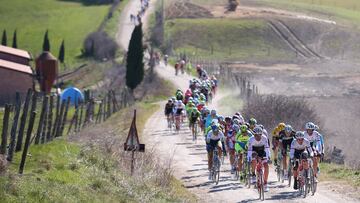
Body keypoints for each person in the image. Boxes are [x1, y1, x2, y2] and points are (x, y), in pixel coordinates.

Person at [247, 126, 271, 192]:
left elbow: (267, 149)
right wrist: (249, 158)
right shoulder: (251, 139)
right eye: (256, 135)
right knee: (254, 158)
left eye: (259, 135)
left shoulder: (264, 138)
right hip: (254, 150)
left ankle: (265, 183)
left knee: (266, 166)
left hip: (262, 150)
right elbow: (249, 150)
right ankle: (253, 174)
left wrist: (268, 157)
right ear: (253, 135)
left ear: (261, 134)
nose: (257, 137)